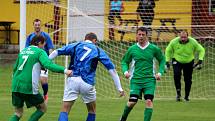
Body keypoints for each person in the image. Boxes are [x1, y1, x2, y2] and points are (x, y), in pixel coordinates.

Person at [48, 32, 125, 121]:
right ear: (94, 41)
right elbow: (112, 70)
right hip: (87, 82)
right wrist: (119, 88)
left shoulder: (76, 45)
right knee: (92, 110)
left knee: (65, 109)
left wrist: (46, 62)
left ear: (85, 39)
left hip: (73, 78)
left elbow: (56, 52)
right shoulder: (98, 50)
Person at [9, 35, 72, 121]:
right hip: (28, 86)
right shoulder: (40, 52)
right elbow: (48, 65)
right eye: (43, 44)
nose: (43, 47)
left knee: (18, 113)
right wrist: (65, 70)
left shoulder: (23, 51)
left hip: (15, 86)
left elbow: (14, 69)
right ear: (39, 43)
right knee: (42, 108)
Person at [119, 27, 165, 121]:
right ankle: (123, 118)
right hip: (136, 80)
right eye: (139, 34)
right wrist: (126, 72)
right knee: (132, 102)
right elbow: (124, 61)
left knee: (148, 101)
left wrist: (160, 73)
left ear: (146, 36)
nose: (141, 36)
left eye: (143, 35)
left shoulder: (153, 48)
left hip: (149, 80)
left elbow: (162, 60)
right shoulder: (132, 49)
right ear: (136, 35)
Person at [165, 31, 205, 101]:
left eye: (185, 37)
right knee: (176, 75)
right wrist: (167, 61)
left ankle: (186, 96)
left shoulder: (193, 42)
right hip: (177, 60)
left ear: (188, 37)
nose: (183, 39)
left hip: (189, 61)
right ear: (179, 37)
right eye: (181, 37)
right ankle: (178, 94)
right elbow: (168, 50)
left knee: (188, 79)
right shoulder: (174, 42)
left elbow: (202, 50)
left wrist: (200, 60)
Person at [25, 18, 54, 102]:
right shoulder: (30, 37)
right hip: (33, 62)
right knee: (31, 80)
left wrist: (49, 60)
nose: (37, 26)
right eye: (36, 25)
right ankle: (33, 96)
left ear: (40, 26)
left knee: (43, 80)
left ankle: (45, 94)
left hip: (43, 61)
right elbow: (27, 49)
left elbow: (50, 48)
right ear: (33, 25)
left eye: (38, 25)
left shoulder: (46, 36)